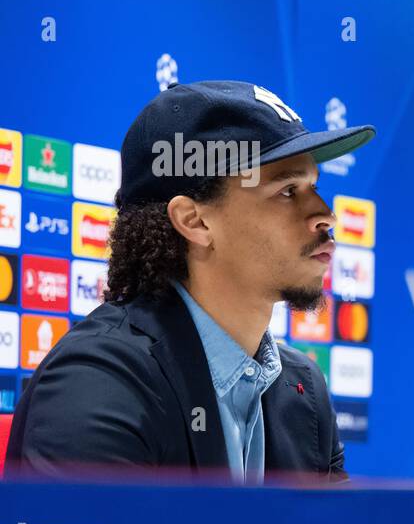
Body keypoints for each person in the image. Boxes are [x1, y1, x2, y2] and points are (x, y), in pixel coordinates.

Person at [4, 81, 375, 483]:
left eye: (313, 187)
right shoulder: (98, 381)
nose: (325, 214)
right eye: (287, 190)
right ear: (194, 221)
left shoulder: (304, 389)